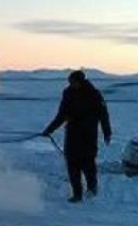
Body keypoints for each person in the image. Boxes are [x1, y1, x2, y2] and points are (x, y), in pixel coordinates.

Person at [42, 70, 112, 203]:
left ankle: (92, 188)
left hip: (88, 135)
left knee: (88, 164)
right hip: (72, 134)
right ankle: (77, 194)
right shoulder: (68, 93)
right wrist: (49, 129)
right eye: (70, 82)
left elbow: (104, 115)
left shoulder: (94, 94)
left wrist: (107, 132)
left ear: (80, 81)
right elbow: (62, 114)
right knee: (72, 164)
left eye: (73, 82)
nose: (71, 84)